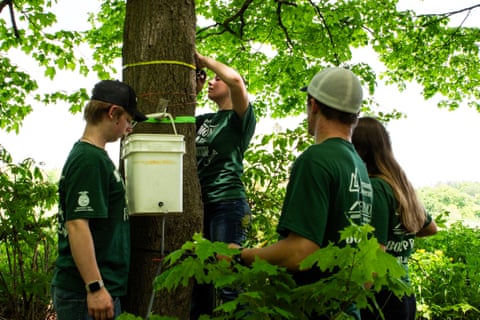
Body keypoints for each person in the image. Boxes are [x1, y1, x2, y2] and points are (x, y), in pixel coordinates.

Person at [231, 67, 373, 319]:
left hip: (314, 308)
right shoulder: (359, 166)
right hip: (346, 309)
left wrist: (240, 256)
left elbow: (300, 252)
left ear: (314, 104)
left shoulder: (316, 159)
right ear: (355, 115)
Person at [51, 80, 147, 320]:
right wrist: (94, 287)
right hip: (85, 293)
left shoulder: (96, 157)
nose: (129, 128)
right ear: (113, 113)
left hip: (100, 288)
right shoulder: (88, 160)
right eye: (128, 120)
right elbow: (77, 225)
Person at [351, 117, 438, 320]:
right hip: (404, 294)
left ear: (361, 150)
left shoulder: (377, 187)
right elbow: (430, 227)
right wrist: (398, 235)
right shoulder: (400, 185)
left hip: (381, 299)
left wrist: (352, 300)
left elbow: (375, 258)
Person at [191, 51, 257, 318]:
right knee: (200, 280)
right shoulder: (204, 120)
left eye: (217, 79)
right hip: (201, 207)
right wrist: (192, 91)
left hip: (227, 205)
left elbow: (237, 82)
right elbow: (177, 122)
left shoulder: (239, 120)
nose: (211, 81)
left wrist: (203, 59)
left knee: (229, 278)